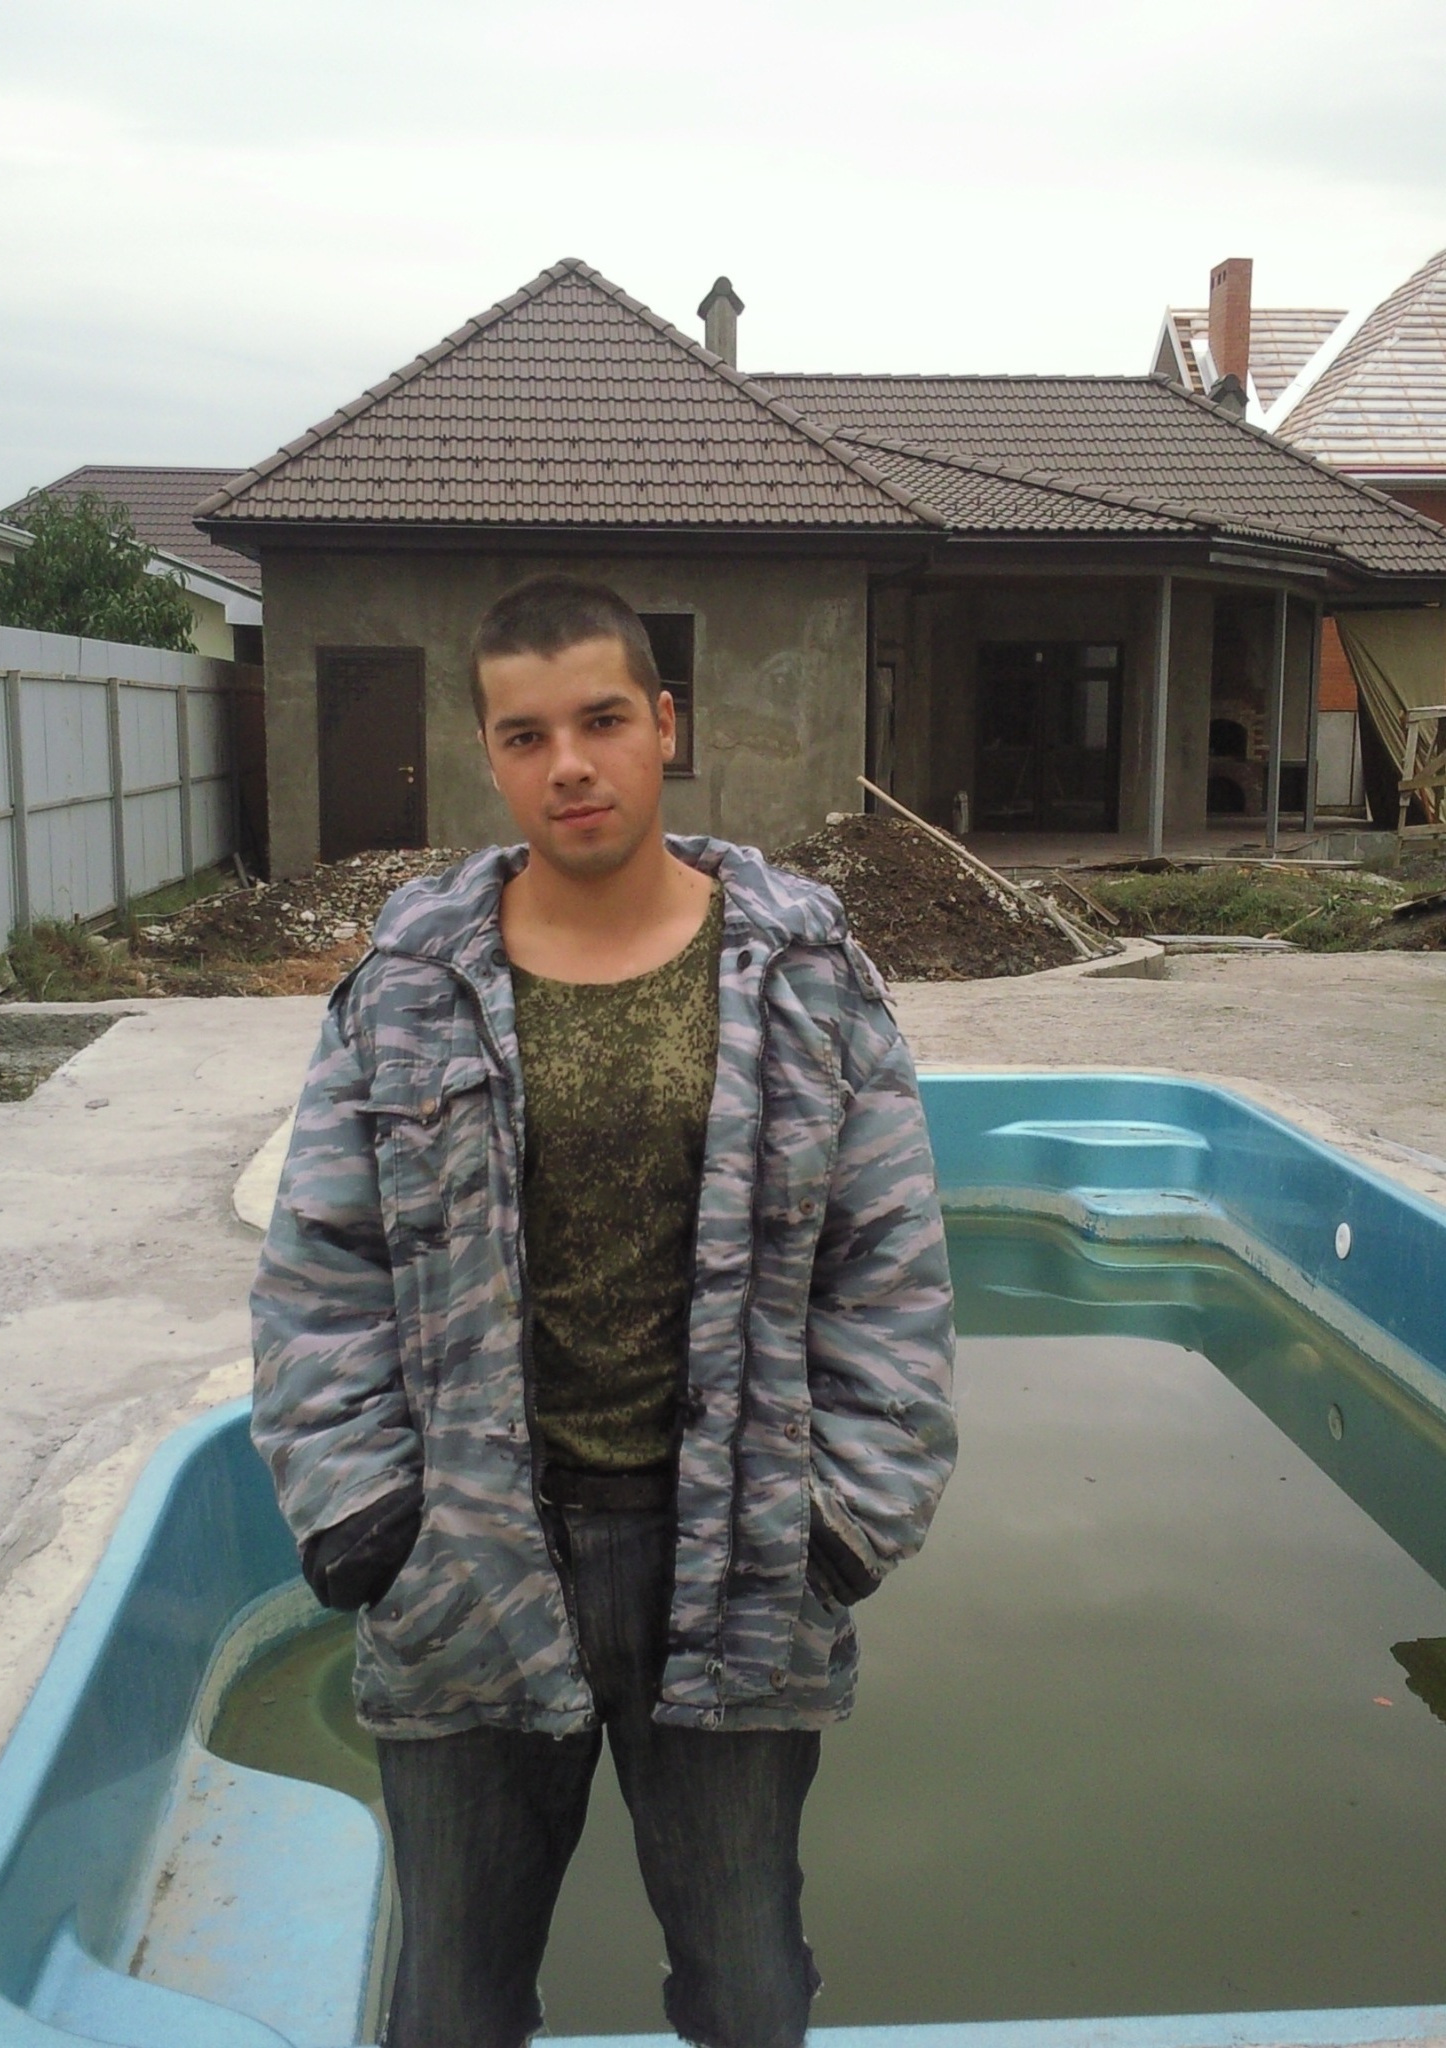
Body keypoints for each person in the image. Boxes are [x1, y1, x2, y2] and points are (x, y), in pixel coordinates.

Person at [250, 575, 957, 2048]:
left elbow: (887, 1266)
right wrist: (367, 1517)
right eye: (527, 736)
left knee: (748, 1988)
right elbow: (323, 1270)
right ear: (491, 754)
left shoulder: (804, 977)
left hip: (739, 1562)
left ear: (664, 725)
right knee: (451, 2000)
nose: (569, 764)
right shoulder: (408, 988)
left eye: (603, 720)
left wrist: (845, 1524)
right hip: (466, 1555)